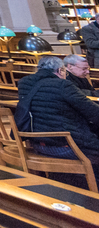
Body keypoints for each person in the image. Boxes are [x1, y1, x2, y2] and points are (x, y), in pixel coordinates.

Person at [16, 55, 99, 185]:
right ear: (60, 70)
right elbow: (94, 113)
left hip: (38, 143)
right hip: (65, 147)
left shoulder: (25, 83)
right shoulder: (63, 85)